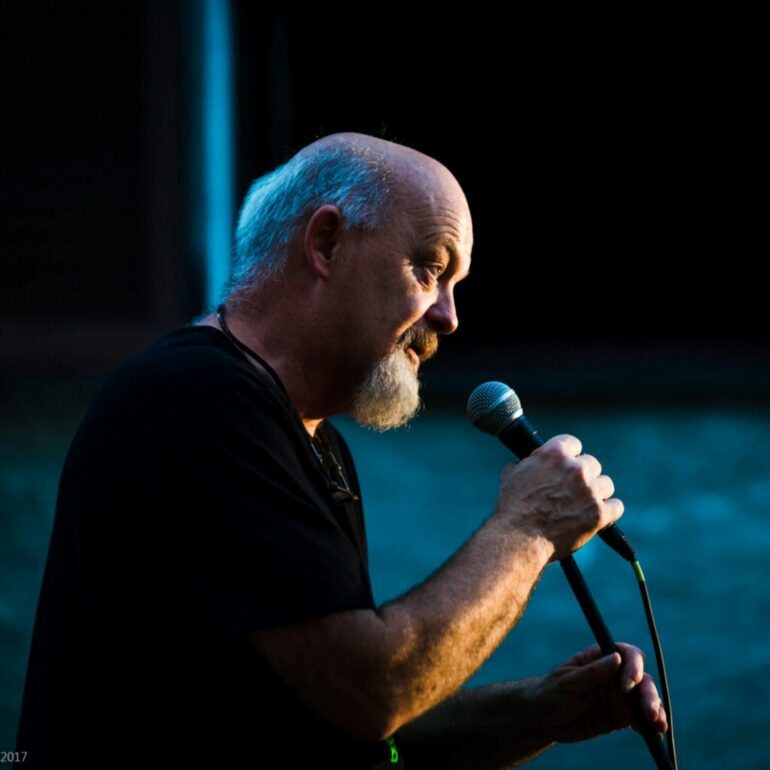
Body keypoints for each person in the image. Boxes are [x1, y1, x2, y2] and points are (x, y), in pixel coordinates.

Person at [17, 132, 667, 769]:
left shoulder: (305, 435)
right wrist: (528, 528)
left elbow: (335, 732)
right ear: (327, 244)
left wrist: (536, 712)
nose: (449, 316)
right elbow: (370, 693)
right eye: (430, 268)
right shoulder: (197, 404)